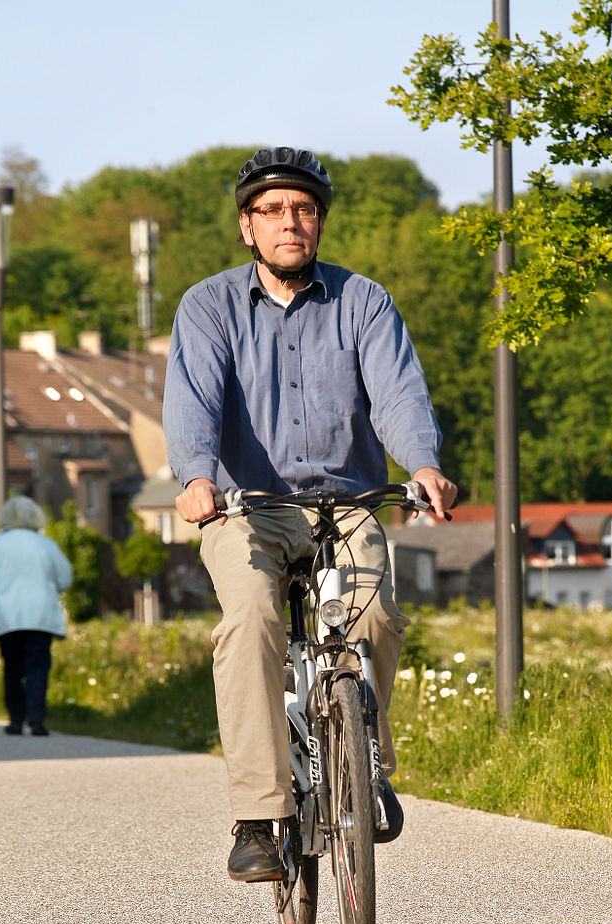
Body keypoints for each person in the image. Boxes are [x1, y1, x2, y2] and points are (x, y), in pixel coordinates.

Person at [163, 146, 457, 882]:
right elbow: (193, 400)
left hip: (344, 501)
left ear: (319, 221)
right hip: (245, 508)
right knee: (254, 618)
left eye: (302, 208)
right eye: (272, 210)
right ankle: (261, 813)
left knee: (378, 616)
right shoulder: (209, 306)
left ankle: (367, 766)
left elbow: (398, 394)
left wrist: (422, 465)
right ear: (247, 227)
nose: (288, 222)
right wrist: (196, 477)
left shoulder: (363, 302)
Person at [0, 495, 72, 736]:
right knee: (38, 666)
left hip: (5, 618)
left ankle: (15, 719)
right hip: (40, 617)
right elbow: (65, 578)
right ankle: (37, 719)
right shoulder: (45, 544)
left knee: (12, 667)